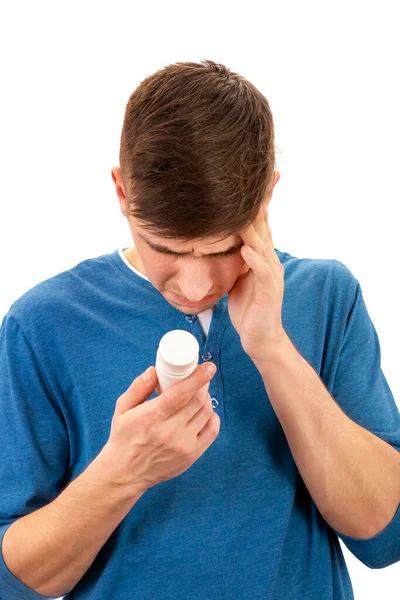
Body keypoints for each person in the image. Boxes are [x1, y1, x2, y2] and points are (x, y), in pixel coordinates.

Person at [0, 60, 399, 600]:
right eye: (166, 248)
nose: (193, 286)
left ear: (267, 196)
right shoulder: (42, 324)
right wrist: (122, 473)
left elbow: (384, 537)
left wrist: (272, 347)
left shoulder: (326, 297)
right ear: (122, 192)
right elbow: (12, 582)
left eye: (222, 250)